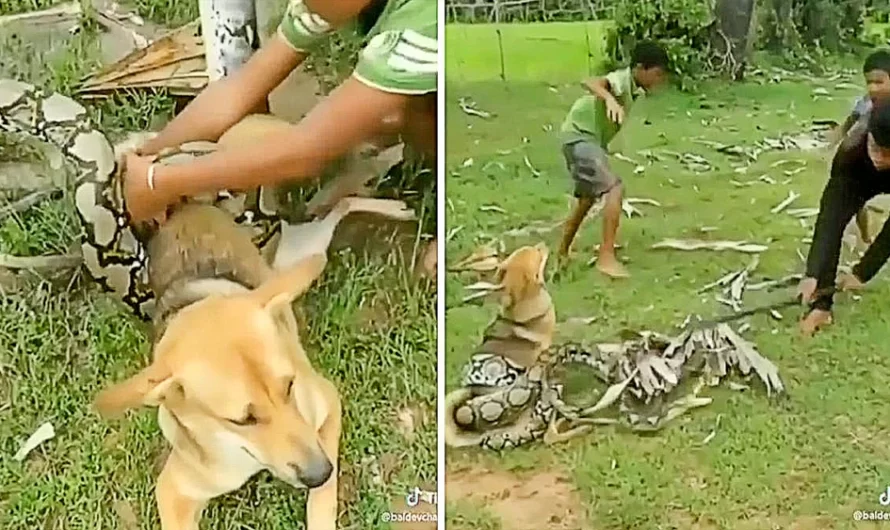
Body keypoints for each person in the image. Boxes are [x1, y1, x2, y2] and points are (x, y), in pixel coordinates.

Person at [121, 0, 437, 248]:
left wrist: (160, 182)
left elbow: (307, 150)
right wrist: (148, 156)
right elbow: (239, 90)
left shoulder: (424, 26)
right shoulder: (327, 4)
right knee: (389, 108)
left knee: (402, 111)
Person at [557, 41, 669, 278]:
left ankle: (562, 252)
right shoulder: (621, 80)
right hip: (580, 137)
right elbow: (590, 82)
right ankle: (606, 258)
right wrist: (608, 98)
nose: (659, 81)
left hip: (582, 139)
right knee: (614, 188)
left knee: (587, 198)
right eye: (657, 74)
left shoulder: (634, 88)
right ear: (640, 68)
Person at [798, 101, 890, 336]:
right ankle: (821, 308)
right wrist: (814, 273)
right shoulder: (851, 152)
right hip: (859, 178)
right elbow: (830, 221)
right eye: (877, 148)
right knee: (833, 224)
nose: (881, 159)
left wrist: (863, 271)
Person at [827, 49, 890, 245]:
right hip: (864, 158)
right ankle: (866, 234)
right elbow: (849, 123)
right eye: (869, 83)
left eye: (878, 82)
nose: (872, 89)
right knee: (856, 201)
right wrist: (835, 141)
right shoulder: (865, 104)